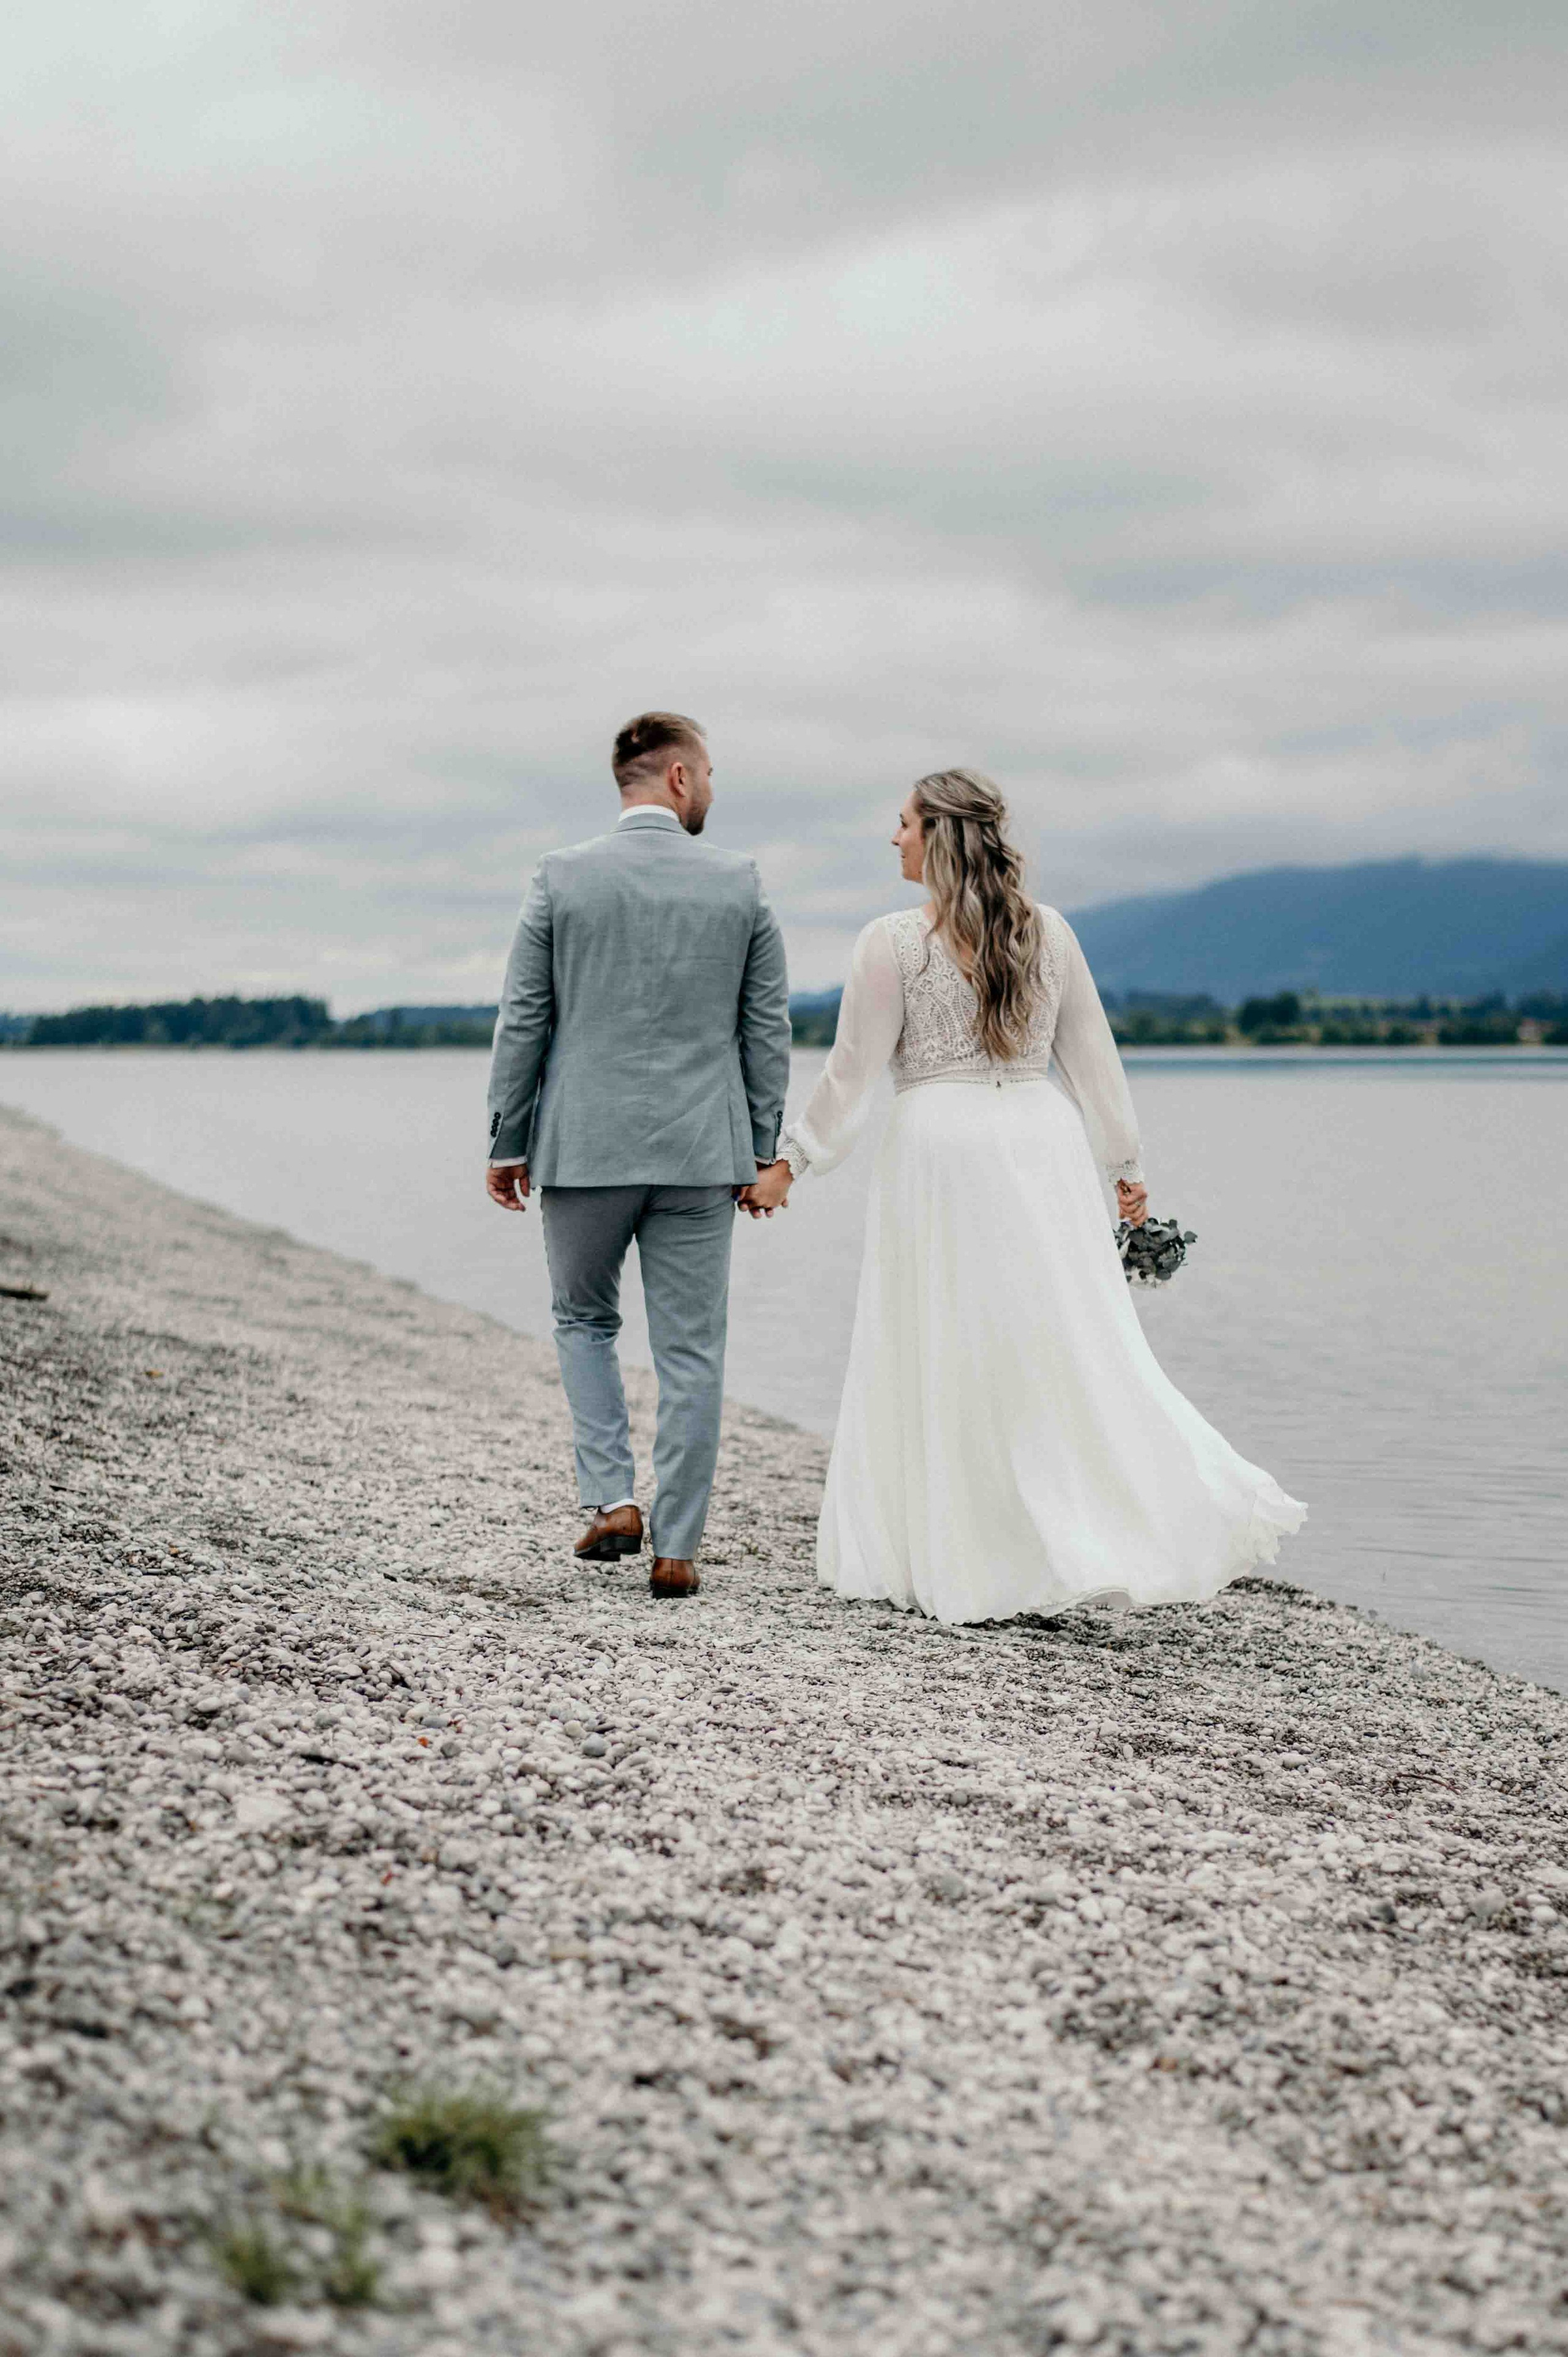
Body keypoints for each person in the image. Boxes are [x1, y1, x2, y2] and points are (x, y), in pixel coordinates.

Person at [744, 767, 1306, 1625]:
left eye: (901, 823)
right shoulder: (1053, 933)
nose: (892, 838)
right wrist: (1126, 1169)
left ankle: (968, 1546)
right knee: (1051, 1337)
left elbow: (851, 1075)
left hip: (940, 1151)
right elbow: (1093, 1060)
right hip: (1042, 1145)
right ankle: (1060, 1532)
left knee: (945, 1339)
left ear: (938, 833)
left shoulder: (888, 942)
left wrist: (792, 1162)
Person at [484, 712, 791, 1597]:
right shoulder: (740, 884)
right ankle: (678, 1549)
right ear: (682, 779)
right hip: (703, 1148)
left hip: (583, 1145)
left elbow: (525, 1019)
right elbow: (764, 1028)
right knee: (692, 1349)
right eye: (711, 773)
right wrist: (763, 1145)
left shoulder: (560, 878)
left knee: (584, 1320)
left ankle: (613, 1499)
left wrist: (508, 1136)